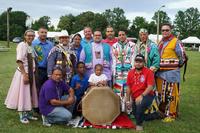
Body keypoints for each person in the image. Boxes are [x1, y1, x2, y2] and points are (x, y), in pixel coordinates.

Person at [5, 29, 38, 124]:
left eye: (32, 36)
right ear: (25, 36)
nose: (31, 37)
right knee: (23, 94)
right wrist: (24, 75)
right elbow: (19, 61)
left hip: (31, 73)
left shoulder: (30, 46)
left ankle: (28, 113)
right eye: (29, 35)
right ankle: (22, 115)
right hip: (24, 73)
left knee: (29, 94)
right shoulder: (21, 45)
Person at [156, 23, 187, 122]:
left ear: (171, 30)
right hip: (160, 73)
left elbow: (182, 57)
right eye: (163, 30)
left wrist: (174, 66)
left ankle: (171, 114)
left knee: (171, 94)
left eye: (167, 30)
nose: (165, 32)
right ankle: (162, 112)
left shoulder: (176, 42)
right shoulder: (160, 42)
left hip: (171, 73)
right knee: (161, 94)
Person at [126, 54, 156, 131]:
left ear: (144, 63)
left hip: (147, 95)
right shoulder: (130, 72)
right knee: (137, 114)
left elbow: (150, 87)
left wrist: (141, 96)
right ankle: (155, 115)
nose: (138, 63)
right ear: (134, 62)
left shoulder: (148, 72)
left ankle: (139, 125)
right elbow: (128, 88)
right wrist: (127, 100)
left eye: (140, 62)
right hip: (135, 96)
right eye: (136, 61)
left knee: (140, 104)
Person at [112, 30, 137, 97]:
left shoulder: (132, 45)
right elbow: (113, 59)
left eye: (123, 34)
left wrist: (133, 69)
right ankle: (119, 106)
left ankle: (128, 106)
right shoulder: (114, 46)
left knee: (128, 89)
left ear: (126, 35)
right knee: (118, 90)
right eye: (119, 35)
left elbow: (134, 57)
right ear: (118, 36)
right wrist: (114, 70)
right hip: (118, 71)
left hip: (129, 70)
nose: (121, 36)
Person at [32, 27, 53, 93]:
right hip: (38, 69)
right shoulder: (33, 43)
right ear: (38, 33)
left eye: (45, 32)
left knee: (47, 87)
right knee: (38, 87)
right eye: (42, 32)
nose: (44, 34)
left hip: (48, 70)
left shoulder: (50, 44)